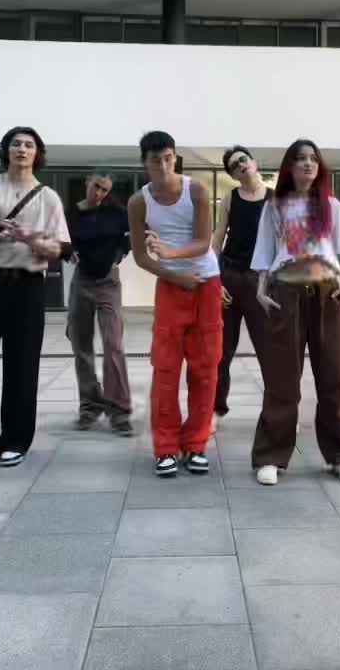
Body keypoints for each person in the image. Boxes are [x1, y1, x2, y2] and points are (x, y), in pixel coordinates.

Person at [250, 138, 340, 486]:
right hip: (286, 291)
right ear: (289, 166)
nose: (308, 163)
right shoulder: (275, 206)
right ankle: (271, 456)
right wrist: (260, 291)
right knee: (282, 377)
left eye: (313, 158)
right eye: (300, 158)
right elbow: (265, 251)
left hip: (328, 292)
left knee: (335, 374)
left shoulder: (332, 205)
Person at [0, 127, 70, 468]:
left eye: (29, 145)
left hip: (29, 286)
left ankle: (15, 440)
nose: (22, 149)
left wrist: (29, 239)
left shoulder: (48, 197)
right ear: (6, 150)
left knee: (23, 366)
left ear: (38, 153)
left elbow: (58, 249)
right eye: (16, 144)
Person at [128, 131, 222, 477]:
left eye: (169, 158)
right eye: (156, 160)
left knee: (206, 367)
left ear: (174, 157)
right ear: (145, 163)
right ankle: (165, 447)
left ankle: (196, 443)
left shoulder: (196, 190)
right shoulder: (138, 202)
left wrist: (171, 253)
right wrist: (173, 274)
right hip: (171, 286)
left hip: (206, 283)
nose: (164, 165)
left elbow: (203, 242)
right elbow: (140, 257)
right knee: (165, 367)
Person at [66, 170, 133, 435]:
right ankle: (90, 406)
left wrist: (117, 260)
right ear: (87, 182)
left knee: (113, 344)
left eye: (105, 189)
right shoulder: (72, 212)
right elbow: (63, 242)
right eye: (96, 187)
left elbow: (126, 242)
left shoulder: (117, 212)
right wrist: (69, 253)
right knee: (81, 345)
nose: (99, 193)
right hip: (82, 281)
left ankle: (119, 412)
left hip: (108, 283)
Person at [212, 145, 271, 423]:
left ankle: (277, 410)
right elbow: (217, 240)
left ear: (254, 162)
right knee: (221, 350)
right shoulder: (230, 198)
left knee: (269, 349)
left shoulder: (274, 199)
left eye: (243, 160)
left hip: (262, 280)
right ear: (233, 175)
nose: (240, 166)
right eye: (234, 166)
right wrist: (215, 279)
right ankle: (216, 409)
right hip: (230, 279)